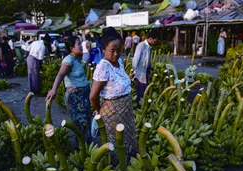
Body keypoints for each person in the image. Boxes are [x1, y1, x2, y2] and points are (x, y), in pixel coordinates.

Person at [90, 27, 138, 161]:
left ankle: (129, 164)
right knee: (116, 145)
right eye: (112, 51)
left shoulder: (119, 63)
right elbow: (93, 96)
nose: (116, 54)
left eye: (119, 50)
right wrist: (100, 111)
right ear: (103, 50)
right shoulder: (103, 66)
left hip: (126, 112)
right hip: (112, 114)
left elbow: (115, 83)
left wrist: (128, 78)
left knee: (127, 140)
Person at [46, 36, 92, 143]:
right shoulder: (68, 60)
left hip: (83, 96)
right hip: (76, 97)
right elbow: (60, 75)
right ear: (72, 48)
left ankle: (87, 144)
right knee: (80, 122)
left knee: (86, 120)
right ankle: (81, 146)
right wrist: (54, 89)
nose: (82, 46)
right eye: (79, 44)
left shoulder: (76, 58)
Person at [132, 29, 159, 105]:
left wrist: (151, 67)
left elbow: (147, 60)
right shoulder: (141, 45)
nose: (155, 42)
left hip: (145, 72)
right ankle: (139, 107)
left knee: (144, 91)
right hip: (139, 73)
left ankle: (142, 105)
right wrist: (135, 71)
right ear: (151, 39)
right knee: (140, 92)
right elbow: (135, 59)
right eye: (155, 41)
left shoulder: (149, 47)